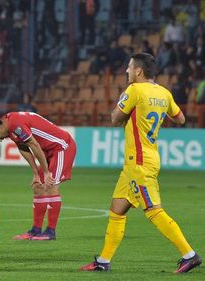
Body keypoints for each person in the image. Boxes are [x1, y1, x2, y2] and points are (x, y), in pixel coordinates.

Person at [80, 53, 201, 273]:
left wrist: (125, 106)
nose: (126, 71)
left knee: (153, 210)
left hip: (139, 162)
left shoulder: (134, 90)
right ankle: (104, 261)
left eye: (129, 67)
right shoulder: (163, 93)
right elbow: (181, 118)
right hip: (143, 159)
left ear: (138, 71)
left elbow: (115, 118)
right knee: (117, 209)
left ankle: (189, 255)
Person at [0, 111, 77, 240]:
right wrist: (36, 174)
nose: (0, 140)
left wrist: (47, 172)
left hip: (61, 147)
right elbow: (23, 148)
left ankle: (50, 232)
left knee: (51, 185)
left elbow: (34, 145)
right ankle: (35, 230)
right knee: (38, 187)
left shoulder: (15, 124)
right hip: (49, 151)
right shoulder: (7, 124)